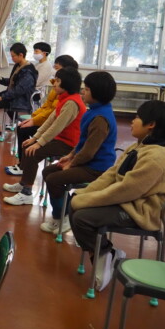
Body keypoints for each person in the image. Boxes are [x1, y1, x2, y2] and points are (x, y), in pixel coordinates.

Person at [69, 100, 165, 291]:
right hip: (130, 201)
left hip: (144, 211)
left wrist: (87, 200)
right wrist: (85, 193)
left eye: (137, 117)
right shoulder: (140, 146)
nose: (132, 121)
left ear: (151, 125)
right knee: (75, 203)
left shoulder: (156, 157)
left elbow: (126, 190)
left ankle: (104, 254)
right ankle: (106, 255)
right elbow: (112, 174)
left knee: (83, 217)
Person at [39, 71, 118, 234]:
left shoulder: (100, 119)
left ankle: (64, 216)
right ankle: (63, 213)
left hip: (96, 168)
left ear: (98, 93)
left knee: (54, 179)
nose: (83, 91)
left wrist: (71, 164)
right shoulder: (94, 110)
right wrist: (70, 156)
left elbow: (89, 152)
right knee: (47, 171)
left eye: (87, 89)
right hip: (86, 162)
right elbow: (83, 142)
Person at [3, 67, 86, 205]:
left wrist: (39, 143)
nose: (54, 84)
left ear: (67, 84)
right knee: (28, 146)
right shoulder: (64, 99)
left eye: (58, 81)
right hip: (60, 139)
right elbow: (50, 121)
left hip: (69, 144)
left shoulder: (72, 103)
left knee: (33, 152)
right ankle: (24, 183)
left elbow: (56, 127)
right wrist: (35, 138)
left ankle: (27, 193)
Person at [5, 55, 79, 176]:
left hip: (63, 138)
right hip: (50, 127)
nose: (55, 74)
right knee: (24, 132)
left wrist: (37, 138)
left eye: (57, 69)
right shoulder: (61, 93)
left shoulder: (70, 100)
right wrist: (33, 119)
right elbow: (47, 108)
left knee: (30, 143)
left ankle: (24, 174)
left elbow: (55, 123)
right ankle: (22, 167)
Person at [0, 43, 38, 142]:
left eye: (13, 56)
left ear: (21, 55)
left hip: (21, 100)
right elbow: (12, 81)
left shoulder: (28, 71)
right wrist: (0, 79)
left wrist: (3, 97)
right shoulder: (18, 65)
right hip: (15, 97)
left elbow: (19, 90)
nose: (12, 58)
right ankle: (1, 128)